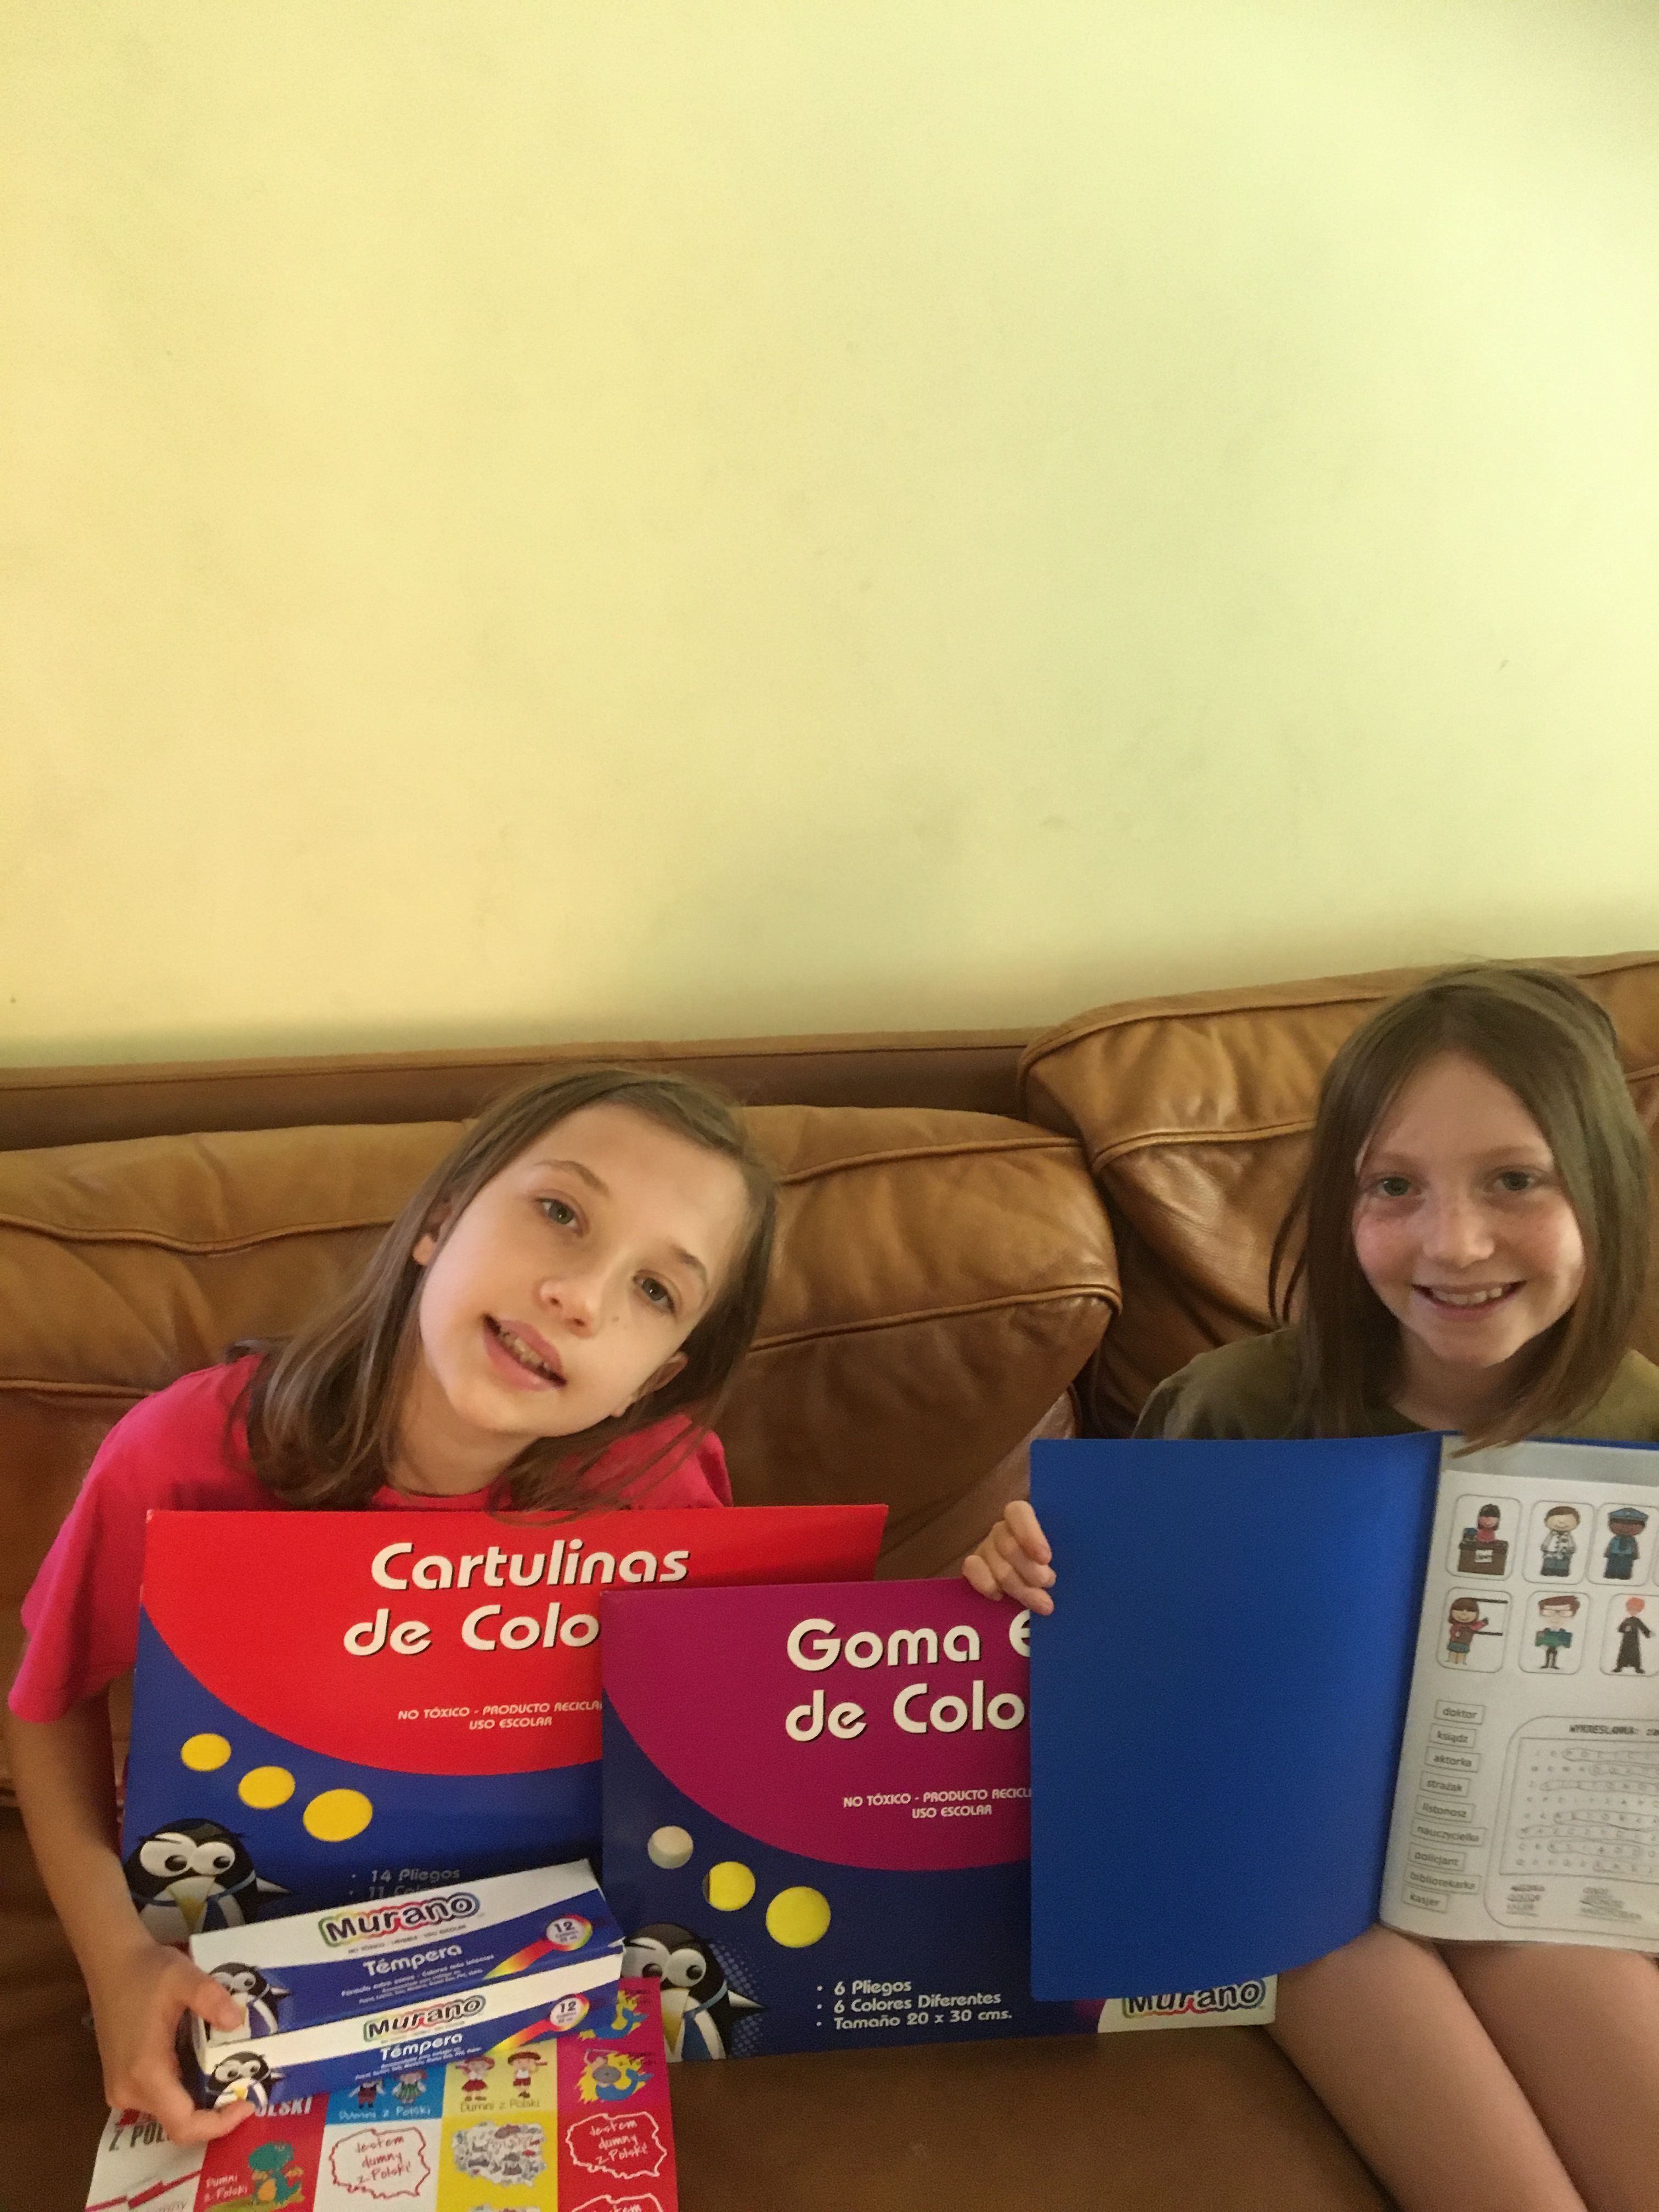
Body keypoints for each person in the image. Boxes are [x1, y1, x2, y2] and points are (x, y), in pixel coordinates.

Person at [966, 964, 1659, 2212]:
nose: (1455, 1243)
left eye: (1516, 1179)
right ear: (1342, 1206)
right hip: (1296, 1885)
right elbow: (1130, 1698)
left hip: (1531, 1870)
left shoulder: (1643, 1431)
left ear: (1605, 1185)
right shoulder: (1234, 1408)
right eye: (1395, 1187)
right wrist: (1020, 1583)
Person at [3, 1066, 776, 2148]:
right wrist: (117, 1959)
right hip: (248, 1952)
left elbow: (759, 1727)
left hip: (534, 1961)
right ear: (442, 1219)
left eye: (655, 1290)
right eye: (561, 1212)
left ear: (654, 1377)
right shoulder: (180, 1454)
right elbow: (46, 1700)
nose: (581, 1296)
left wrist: (987, 1601)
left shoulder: (665, 1488)